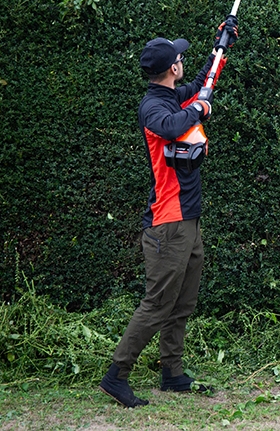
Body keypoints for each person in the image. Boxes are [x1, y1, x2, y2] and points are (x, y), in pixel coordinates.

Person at [99, 24, 236, 408]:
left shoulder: (172, 96)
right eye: (180, 58)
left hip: (187, 220)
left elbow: (202, 84)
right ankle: (116, 376)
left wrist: (220, 47)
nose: (182, 61)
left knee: (183, 303)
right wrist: (200, 108)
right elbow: (175, 123)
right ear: (171, 68)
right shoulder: (153, 108)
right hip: (168, 223)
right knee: (158, 304)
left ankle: (172, 373)